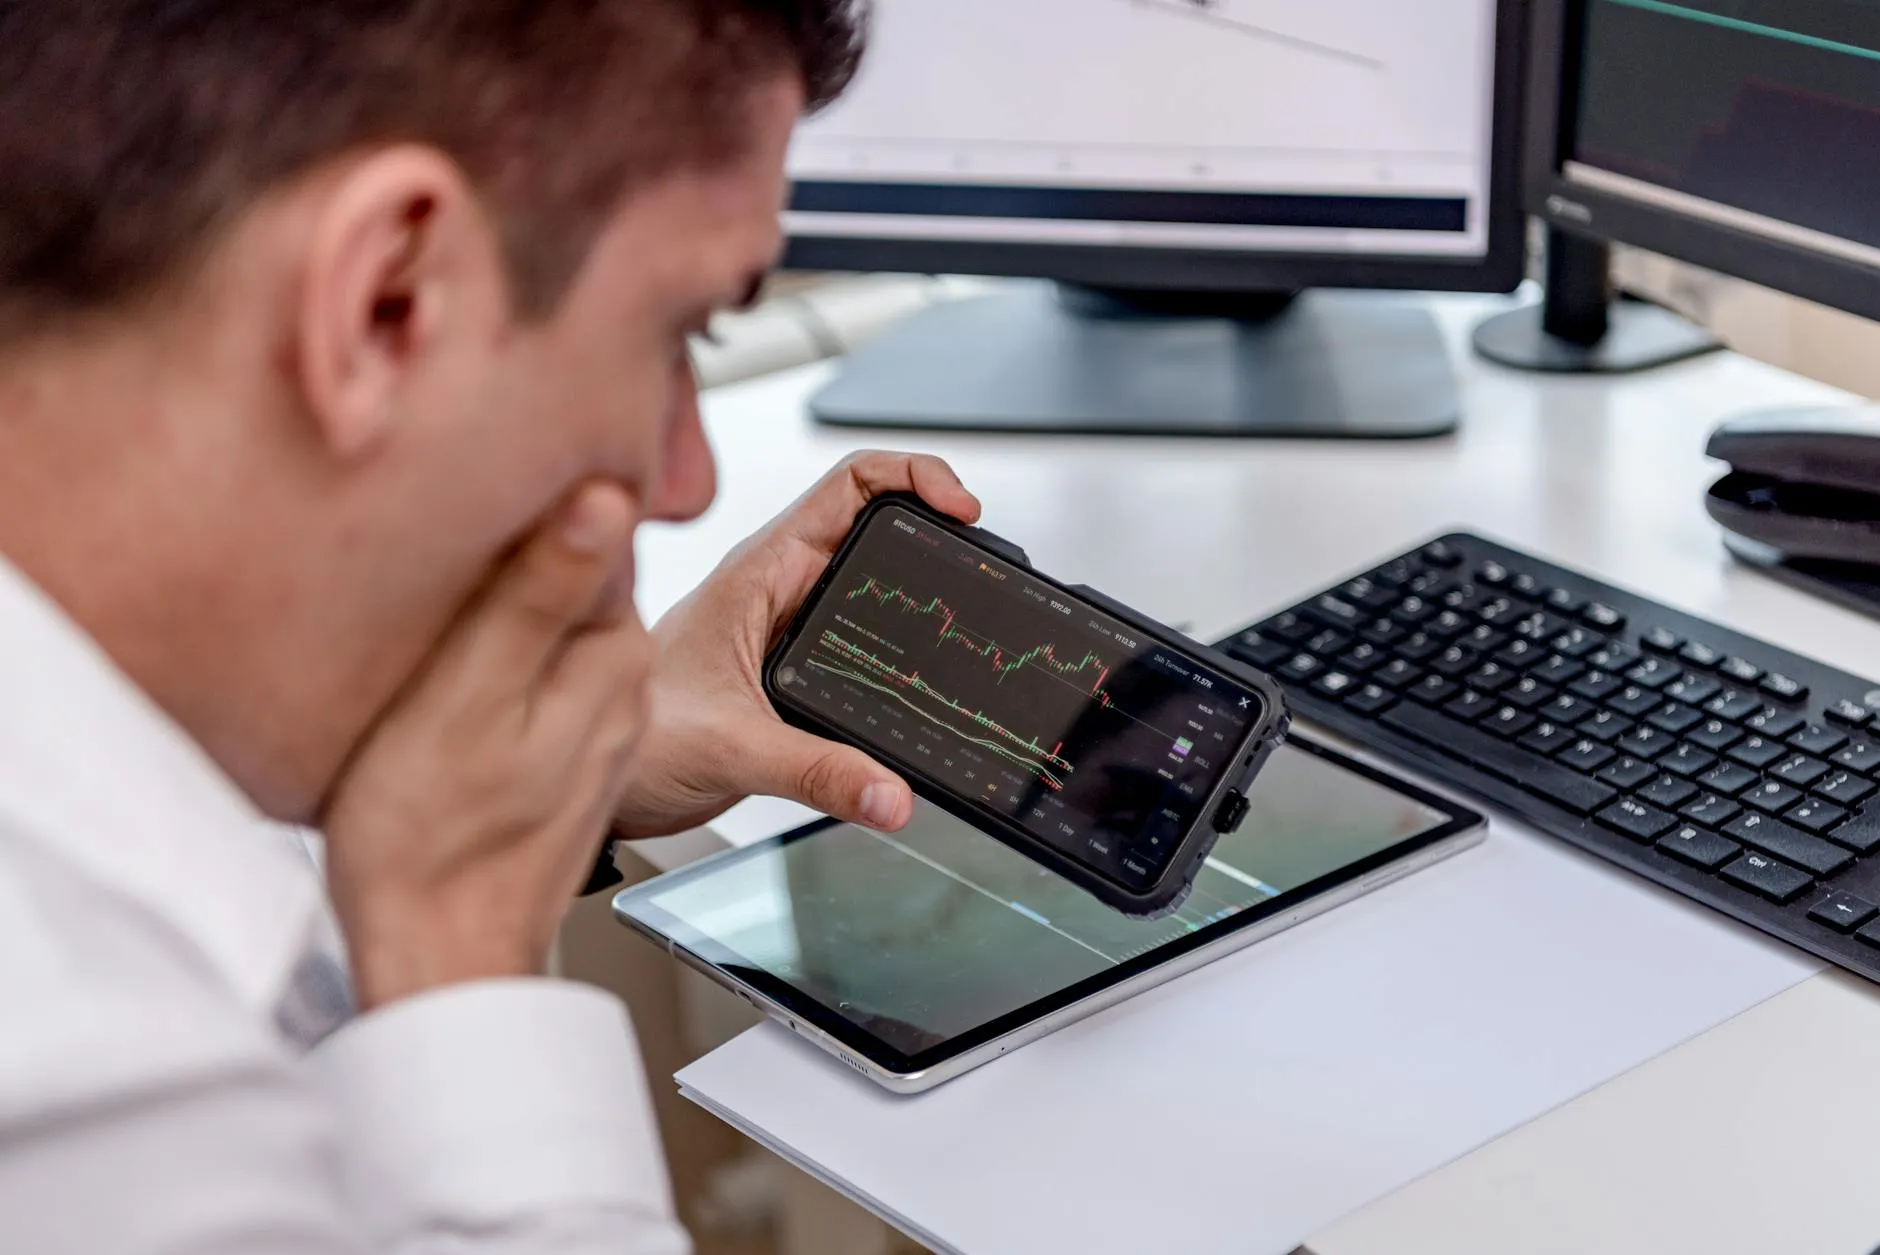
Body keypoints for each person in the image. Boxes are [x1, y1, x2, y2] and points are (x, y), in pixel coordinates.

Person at [0, 2, 981, 1250]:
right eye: (681, 330)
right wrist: (459, 954)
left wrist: (567, 776)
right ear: (388, 299)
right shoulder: (86, 1104)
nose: (685, 477)